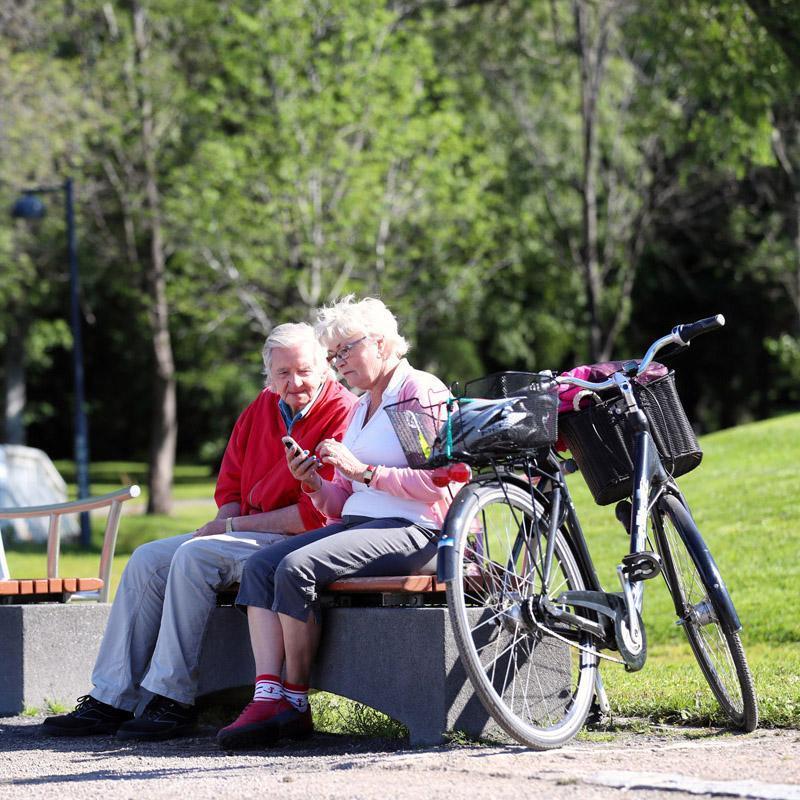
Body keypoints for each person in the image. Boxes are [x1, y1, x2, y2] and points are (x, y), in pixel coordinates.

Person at [40, 323, 356, 741]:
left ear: (324, 368)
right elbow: (230, 485)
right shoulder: (261, 407)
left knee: (195, 556)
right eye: (283, 373)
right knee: (147, 558)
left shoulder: (342, 411)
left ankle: (172, 700)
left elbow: (313, 515)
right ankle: (112, 697)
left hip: (298, 540)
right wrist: (224, 525)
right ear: (269, 375)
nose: (294, 382)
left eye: (304, 371)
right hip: (247, 532)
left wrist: (227, 528)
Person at [216, 296, 454, 749]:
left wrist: (363, 471)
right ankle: (266, 694)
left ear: (381, 343)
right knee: (261, 565)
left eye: (346, 349)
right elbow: (339, 503)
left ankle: (294, 701)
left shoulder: (415, 391)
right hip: (362, 525)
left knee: (296, 567)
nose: (337, 362)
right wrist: (312, 484)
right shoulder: (364, 407)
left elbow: (440, 483)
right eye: (334, 354)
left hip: (416, 530)